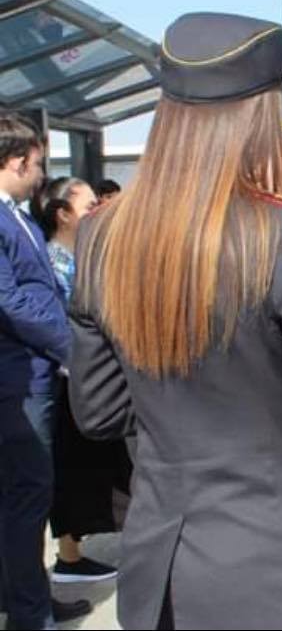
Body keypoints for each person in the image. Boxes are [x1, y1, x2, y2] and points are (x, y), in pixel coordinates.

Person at [68, 12, 282, 630]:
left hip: (161, 572)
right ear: (258, 118)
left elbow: (98, 412)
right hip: (277, 573)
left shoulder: (102, 234)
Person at [0, 112, 92, 629]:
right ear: (16, 162)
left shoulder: (15, 214)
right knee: (27, 498)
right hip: (19, 378)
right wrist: (71, 349)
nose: (41, 175)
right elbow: (10, 301)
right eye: (36, 165)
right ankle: (29, 614)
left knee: (21, 499)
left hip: (33, 373)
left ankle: (24, 597)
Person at [31, 176, 130, 584]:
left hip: (87, 377)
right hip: (72, 380)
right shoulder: (56, 264)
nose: (99, 212)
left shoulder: (82, 257)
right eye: (90, 207)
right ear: (63, 216)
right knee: (73, 472)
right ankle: (69, 557)